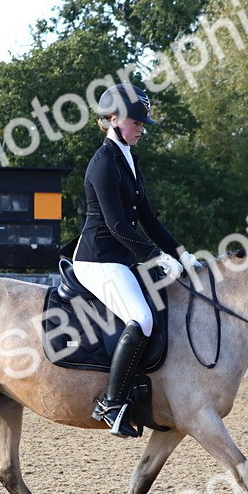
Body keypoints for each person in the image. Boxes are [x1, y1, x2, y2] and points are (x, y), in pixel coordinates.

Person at [72, 83, 200, 437]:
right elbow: (115, 226)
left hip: (122, 258)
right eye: (136, 122)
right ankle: (111, 404)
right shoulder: (102, 164)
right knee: (141, 318)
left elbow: (149, 219)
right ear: (113, 120)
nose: (142, 128)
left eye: (143, 123)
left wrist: (181, 254)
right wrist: (157, 258)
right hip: (98, 259)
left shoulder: (128, 159)